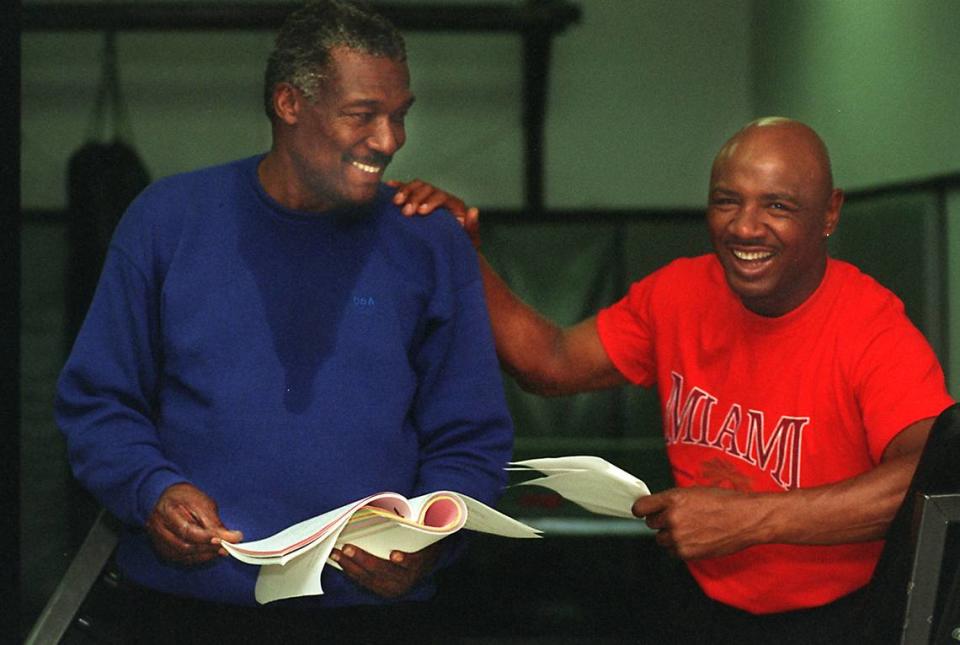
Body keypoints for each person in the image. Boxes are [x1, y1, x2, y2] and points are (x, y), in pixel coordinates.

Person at [396, 117, 955, 643]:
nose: (744, 227)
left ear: (829, 214)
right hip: (699, 601)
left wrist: (751, 519)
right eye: (726, 202)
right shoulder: (679, 294)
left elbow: (926, 481)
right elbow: (552, 363)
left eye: (777, 206)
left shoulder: (872, 327)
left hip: (837, 618)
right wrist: (463, 252)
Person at [54, 1, 512, 641]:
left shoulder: (427, 240)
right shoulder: (167, 221)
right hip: (182, 609)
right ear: (289, 104)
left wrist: (430, 541)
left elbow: (472, 436)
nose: (390, 140)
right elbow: (97, 401)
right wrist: (152, 489)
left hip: (372, 614)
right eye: (363, 115)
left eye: (400, 115)